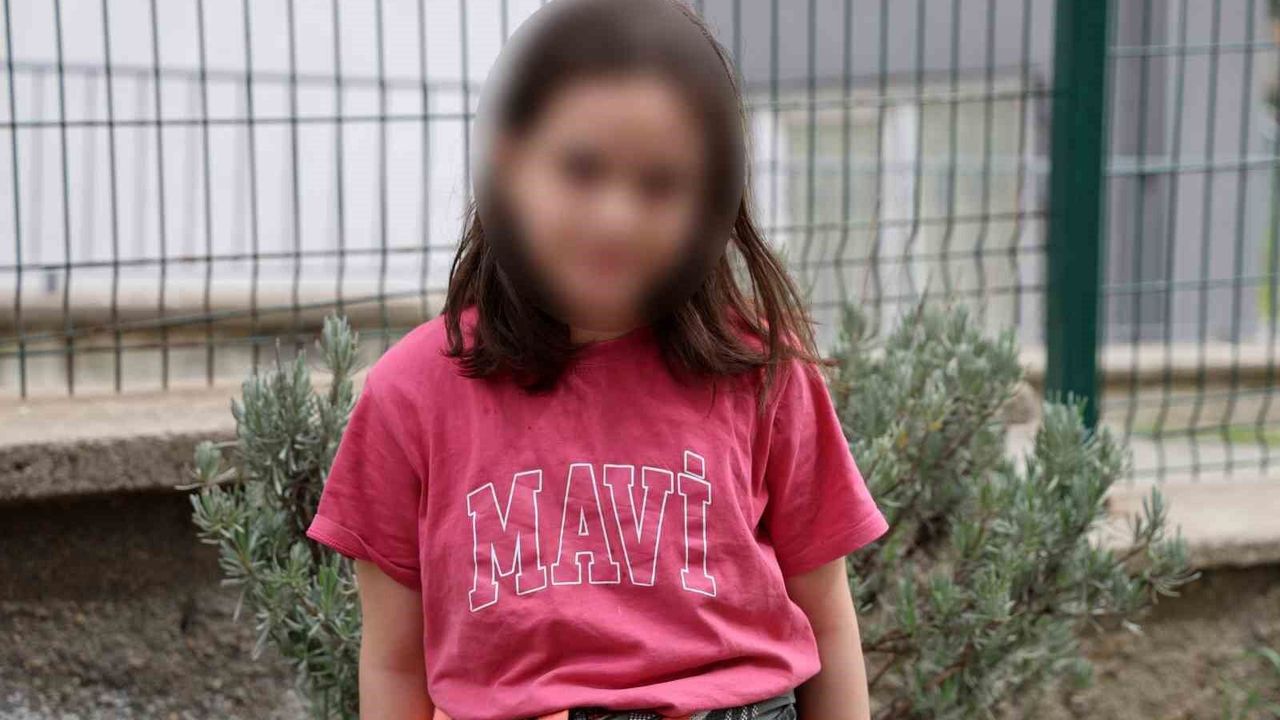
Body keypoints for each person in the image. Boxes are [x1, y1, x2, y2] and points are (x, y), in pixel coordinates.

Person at [304, 1, 889, 718]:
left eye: (660, 184)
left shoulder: (761, 371)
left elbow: (828, 618)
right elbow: (395, 664)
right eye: (581, 170)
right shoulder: (409, 395)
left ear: (712, 198)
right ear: (507, 163)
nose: (617, 218)